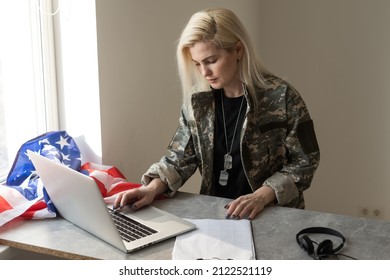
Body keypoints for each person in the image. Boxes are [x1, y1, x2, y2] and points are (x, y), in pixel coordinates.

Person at [114, 7, 320, 220]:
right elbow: (180, 158)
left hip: (273, 217)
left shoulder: (283, 97)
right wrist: (151, 189)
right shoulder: (198, 101)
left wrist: (261, 196)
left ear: (238, 50)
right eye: (197, 64)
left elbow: (306, 162)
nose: (204, 72)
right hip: (217, 217)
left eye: (211, 60)